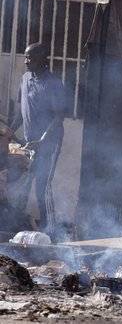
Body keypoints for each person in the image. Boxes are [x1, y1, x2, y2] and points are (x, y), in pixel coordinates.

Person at [10, 43, 68, 234]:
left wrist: (43, 140)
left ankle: (50, 231)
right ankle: (19, 227)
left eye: (30, 58)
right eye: (26, 57)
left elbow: (59, 116)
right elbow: (21, 111)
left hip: (49, 143)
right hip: (29, 144)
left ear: (43, 59)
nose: (26, 61)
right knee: (23, 186)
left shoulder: (53, 83)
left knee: (43, 188)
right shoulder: (25, 79)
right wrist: (9, 132)